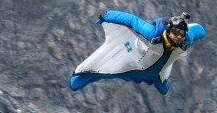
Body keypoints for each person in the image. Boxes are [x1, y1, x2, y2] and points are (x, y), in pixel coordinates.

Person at [70, 10, 206, 94]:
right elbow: (131, 20)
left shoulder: (186, 40)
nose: (178, 36)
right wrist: (107, 16)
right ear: (169, 31)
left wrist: (197, 32)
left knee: (164, 90)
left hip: (158, 73)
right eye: (175, 32)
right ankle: (81, 75)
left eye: (181, 33)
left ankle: (81, 78)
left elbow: (199, 30)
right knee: (105, 72)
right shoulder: (152, 33)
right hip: (134, 64)